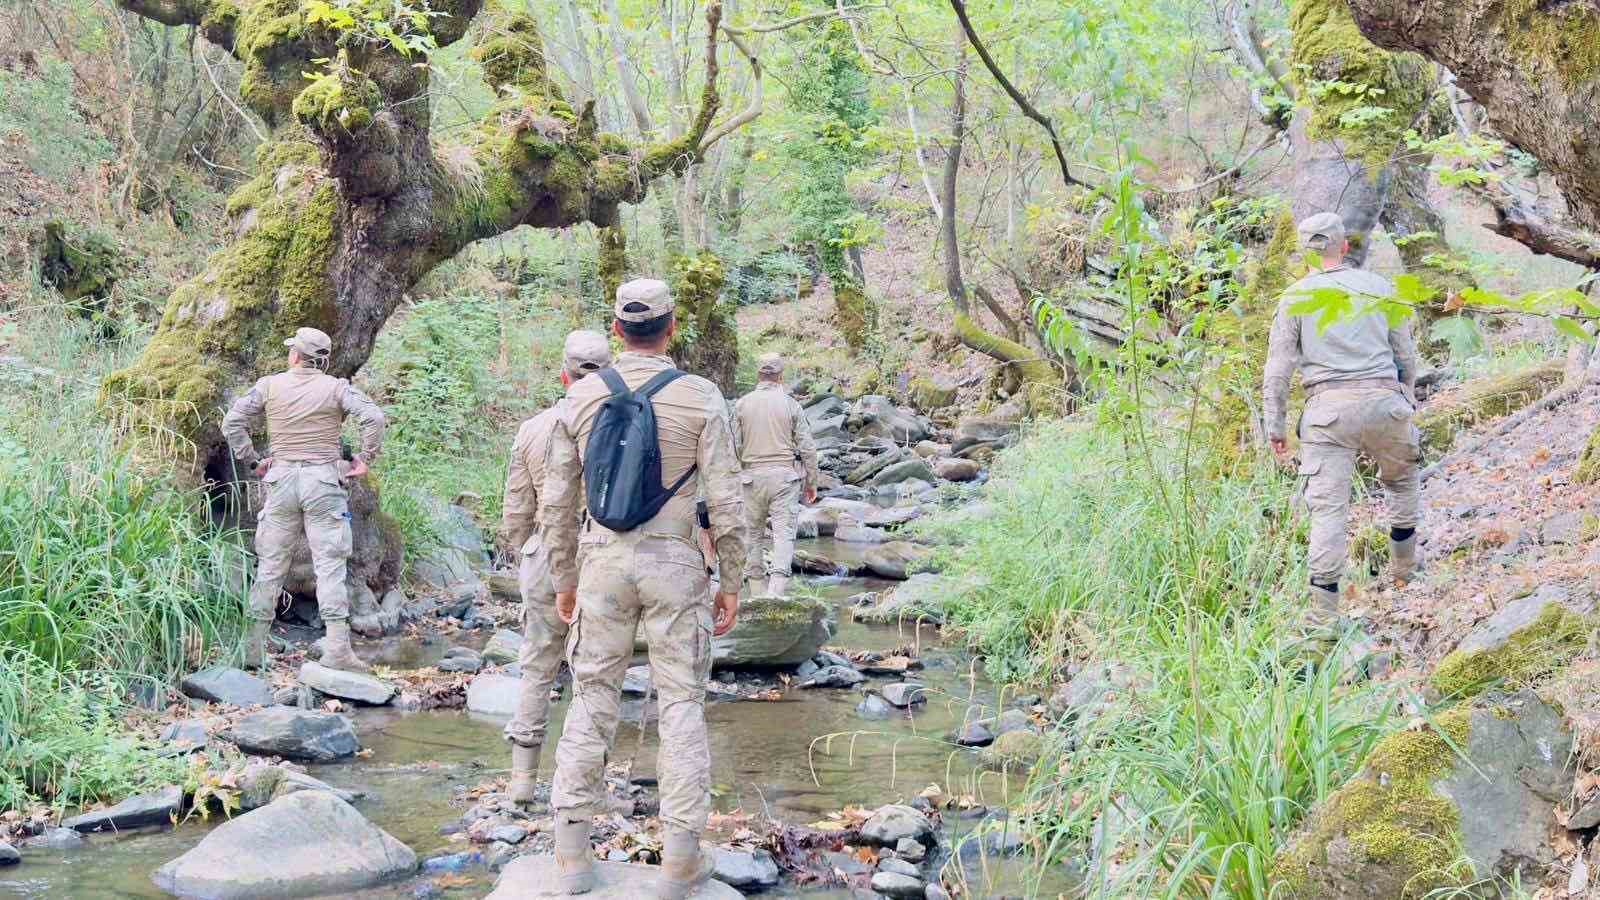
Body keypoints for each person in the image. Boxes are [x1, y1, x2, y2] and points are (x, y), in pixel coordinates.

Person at [540, 278, 746, 897]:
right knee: (681, 703)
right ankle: (680, 861)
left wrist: (563, 580)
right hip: (676, 562)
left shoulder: (578, 399)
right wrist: (732, 579)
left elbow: (557, 502)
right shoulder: (702, 396)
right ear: (672, 329)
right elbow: (729, 501)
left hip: (601, 563)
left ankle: (573, 857)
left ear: (616, 332)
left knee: (592, 694)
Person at [1264, 212, 1420, 631]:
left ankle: (1323, 616)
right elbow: (1406, 355)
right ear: (1344, 246)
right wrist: (1406, 395)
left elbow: (1278, 370)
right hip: (1386, 401)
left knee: (1329, 511)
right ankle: (1405, 570)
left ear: (1307, 253)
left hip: (1327, 413)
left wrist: (1274, 427)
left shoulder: (1295, 297)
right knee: (1402, 483)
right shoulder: (1380, 288)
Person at [221, 326, 386, 673]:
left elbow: (232, 421)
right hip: (324, 482)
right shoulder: (337, 388)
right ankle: (338, 649)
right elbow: (374, 417)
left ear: (295, 355)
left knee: (270, 565)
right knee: (329, 564)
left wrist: (252, 461)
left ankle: (253, 648)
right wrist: (365, 458)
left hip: (280, 482)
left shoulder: (268, 385)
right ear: (321, 362)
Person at [496, 330, 612, 806]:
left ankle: (522, 781)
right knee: (598, 670)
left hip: (545, 555)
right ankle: (589, 787)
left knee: (538, 663)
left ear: (563, 374)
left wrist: (528, 550)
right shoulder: (624, 422)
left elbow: (514, 510)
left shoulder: (533, 428)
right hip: (603, 553)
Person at [734, 353, 819, 597]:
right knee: (783, 535)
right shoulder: (791, 404)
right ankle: (776, 592)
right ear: (780, 377)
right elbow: (807, 447)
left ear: (758, 376)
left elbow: (732, 446)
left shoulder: (742, 404)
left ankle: (757, 592)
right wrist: (812, 483)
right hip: (784, 478)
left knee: (752, 535)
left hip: (750, 479)